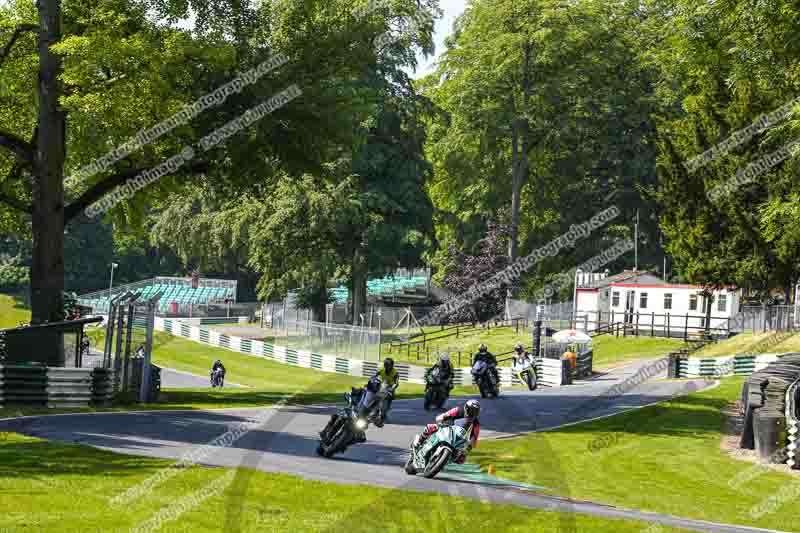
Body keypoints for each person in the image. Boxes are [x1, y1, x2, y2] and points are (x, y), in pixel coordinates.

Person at [412, 399, 481, 464]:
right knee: (431, 427)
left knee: (461, 459)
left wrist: (467, 449)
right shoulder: (458, 410)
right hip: (446, 428)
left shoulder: (476, 424)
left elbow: (474, 439)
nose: (472, 413)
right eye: (471, 410)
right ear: (466, 408)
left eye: (475, 412)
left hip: (458, 439)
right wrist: (441, 420)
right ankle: (419, 441)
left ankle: (443, 462)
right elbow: (444, 416)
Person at [374, 357, 399, 424]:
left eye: (388, 365)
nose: (386, 366)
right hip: (381, 387)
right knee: (374, 397)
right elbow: (374, 377)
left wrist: (392, 388)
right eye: (385, 364)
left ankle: (384, 414)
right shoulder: (381, 370)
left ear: (391, 365)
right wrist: (372, 381)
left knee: (387, 404)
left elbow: (396, 383)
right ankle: (375, 411)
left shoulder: (395, 372)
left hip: (390, 388)